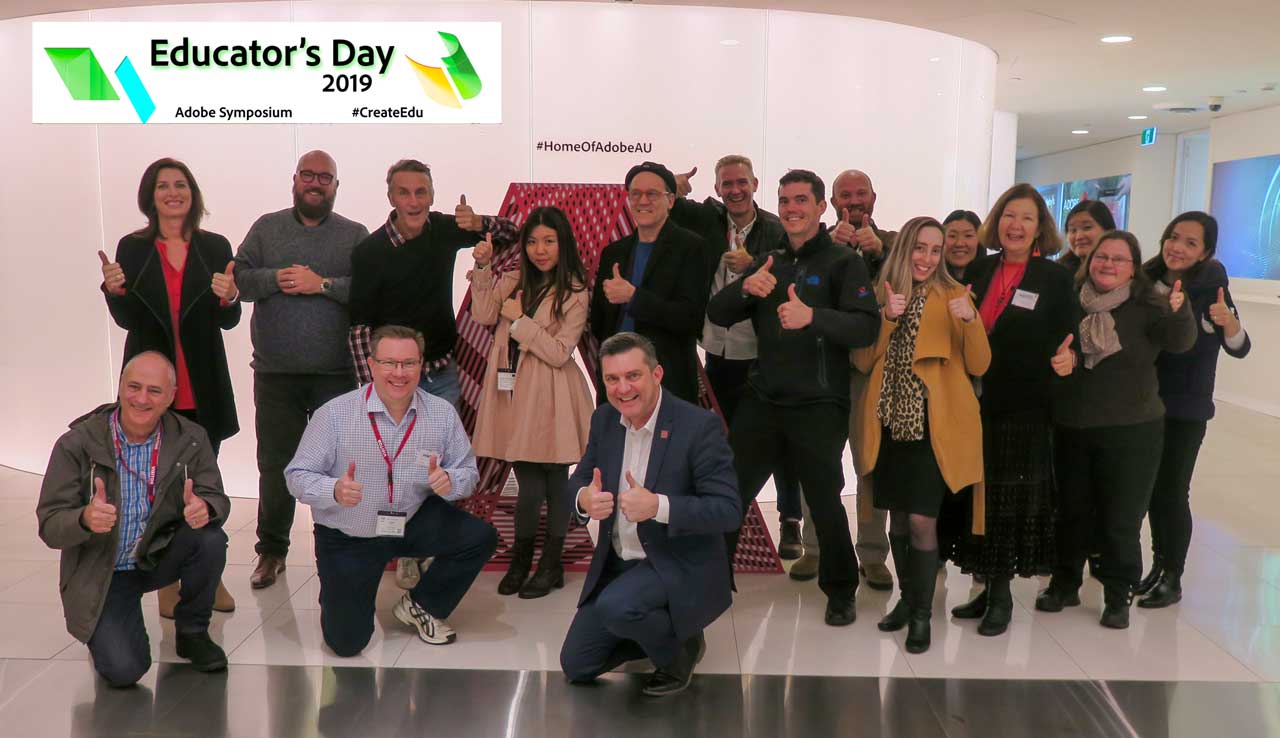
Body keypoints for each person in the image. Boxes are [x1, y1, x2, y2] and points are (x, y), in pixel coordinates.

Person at [707, 169, 880, 626]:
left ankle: (840, 590)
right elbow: (718, 313)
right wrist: (744, 287)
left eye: (801, 200)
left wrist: (813, 317)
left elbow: (866, 326)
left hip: (819, 403)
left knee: (824, 501)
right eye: (785, 201)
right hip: (764, 398)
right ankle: (711, 582)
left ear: (822, 207)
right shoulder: (770, 262)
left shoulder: (843, 262)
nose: (791, 208)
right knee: (730, 492)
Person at [285, 325, 497, 655]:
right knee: (346, 643)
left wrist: (450, 481)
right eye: (389, 363)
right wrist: (334, 490)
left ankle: (421, 605)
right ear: (371, 365)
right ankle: (342, 592)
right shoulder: (335, 415)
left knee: (480, 537)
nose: (399, 373)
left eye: (409, 363)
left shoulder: (441, 413)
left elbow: (468, 473)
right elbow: (296, 475)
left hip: (411, 519)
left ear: (421, 365)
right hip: (350, 533)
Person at [559, 333, 740, 696]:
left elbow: (728, 510)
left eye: (633, 376)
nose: (623, 388)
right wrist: (583, 498)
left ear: (657, 374)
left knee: (617, 608)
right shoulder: (605, 419)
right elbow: (580, 478)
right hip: (619, 562)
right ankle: (654, 626)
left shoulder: (697, 426)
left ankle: (680, 652)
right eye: (612, 379)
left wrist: (659, 506)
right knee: (577, 665)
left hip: (674, 560)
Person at [36, 352, 231, 687]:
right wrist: (84, 519)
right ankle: (107, 628)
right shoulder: (77, 443)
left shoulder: (191, 437)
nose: (141, 399)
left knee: (210, 539)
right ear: (120, 387)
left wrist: (206, 508)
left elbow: (217, 498)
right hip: (105, 568)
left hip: (157, 552)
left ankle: (192, 632)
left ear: (171, 397)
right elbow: (50, 525)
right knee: (125, 671)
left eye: (154, 391)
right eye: (134, 387)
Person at [98, 156, 238, 617]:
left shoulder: (215, 246)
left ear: (192, 194)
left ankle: (208, 573)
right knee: (159, 487)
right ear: (150, 196)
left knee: (203, 484)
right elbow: (127, 319)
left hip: (203, 383)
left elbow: (228, 319)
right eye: (163, 186)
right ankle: (167, 580)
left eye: (181, 185)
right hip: (152, 388)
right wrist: (114, 291)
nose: (173, 192)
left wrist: (230, 298)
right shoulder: (133, 248)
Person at [1044, 230, 1197, 629]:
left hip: (1133, 429)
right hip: (1073, 423)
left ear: (1133, 268)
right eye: (1101, 256)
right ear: (1089, 260)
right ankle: (1064, 584)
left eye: (1118, 259)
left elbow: (1180, 342)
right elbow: (1052, 347)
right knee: (1070, 511)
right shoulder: (1069, 300)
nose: (1108, 264)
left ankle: (1117, 594)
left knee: (1121, 518)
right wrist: (1061, 363)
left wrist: (1180, 309)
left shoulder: (1150, 304)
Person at [233, 150, 369, 590]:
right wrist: (277, 279)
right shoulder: (266, 228)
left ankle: (340, 549)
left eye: (324, 178)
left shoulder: (354, 235)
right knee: (275, 466)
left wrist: (321, 284)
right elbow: (240, 280)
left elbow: (369, 290)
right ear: (294, 180)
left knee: (339, 468)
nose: (315, 183)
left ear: (336, 186)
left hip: (336, 375)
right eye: (308, 175)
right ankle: (271, 552)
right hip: (275, 374)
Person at [852, 217, 990, 653]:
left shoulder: (955, 295)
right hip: (889, 423)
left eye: (935, 249)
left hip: (934, 427)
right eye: (920, 247)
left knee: (920, 521)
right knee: (896, 518)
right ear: (904, 248)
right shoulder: (882, 292)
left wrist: (971, 320)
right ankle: (908, 599)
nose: (927, 258)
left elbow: (980, 364)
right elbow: (861, 361)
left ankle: (921, 614)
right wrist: (887, 318)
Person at [947, 183, 1076, 637]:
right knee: (977, 499)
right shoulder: (978, 269)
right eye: (1008, 215)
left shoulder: (1054, 278)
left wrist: (1071, 356)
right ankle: (985, 588)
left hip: (1022, 409)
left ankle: (1000, 595)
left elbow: (1070, 335)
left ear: (1040, 228)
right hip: (972, 405)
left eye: (1026, 217)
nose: (1015, 225)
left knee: (1006, 502)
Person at [669, 156, 803, 558]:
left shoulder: (776, 229)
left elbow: (791, 274)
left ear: (755, 184)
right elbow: (663, 201)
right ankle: (729, 517)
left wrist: (753, 266)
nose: (735, 190)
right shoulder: (708, 221)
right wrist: (674, 185)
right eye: (727, 184)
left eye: (741, 182)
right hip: (716, 349)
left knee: (780, 440)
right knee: (725, 438)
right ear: (717, 189)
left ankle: (790, 519)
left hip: (761, 353)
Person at [469, 206, 594, 599]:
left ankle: (550, 563)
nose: (540, 250)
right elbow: (482, 313)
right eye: (534, 241)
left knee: (555, 482)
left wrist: (520, 321)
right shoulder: (513, 278)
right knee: (528, 486)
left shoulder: (575, 290)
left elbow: (559, 352)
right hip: (514, 393)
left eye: (549, 241)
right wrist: (484, 269)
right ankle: (522, 560)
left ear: (563, 244)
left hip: (553, 394)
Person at [787, 168, 900, 589]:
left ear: (874, 197)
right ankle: (814, 548)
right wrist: (828, 252)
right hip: (823, 371)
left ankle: (872, 554)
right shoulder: (816, 246)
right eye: (845, 195)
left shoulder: (894, 243)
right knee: (817, 463)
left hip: (873, 375)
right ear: (832, 203)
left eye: (860, 194)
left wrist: (882, 252)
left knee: (870, 465)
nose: (854, 202)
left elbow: (910, 287)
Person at [1136, 212, 1251, 608]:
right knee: (1152, 491)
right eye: (1173, 237)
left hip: (1186, 408)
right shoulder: (1146, 280)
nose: (1177, 247)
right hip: (1142, 405)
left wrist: (1228, 323)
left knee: (1171, 491)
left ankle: (1172, 577)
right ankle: (1158, 567)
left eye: (1190, 243)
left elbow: (1240, 347)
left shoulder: (1211, 287)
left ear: (1205, 252)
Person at [348, 158, 518, 407]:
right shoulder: (369, 252)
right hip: (394, 378)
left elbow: (512, 233)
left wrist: (479, 222)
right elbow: (359, 329)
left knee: (445, 435)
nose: (414, 201)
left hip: (441, 375)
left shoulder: (442, 229)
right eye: (404, 193)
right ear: (391, 198)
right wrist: (372, 388)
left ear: (432, 196)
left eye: (421, 192)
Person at [589, 162, 711, 405]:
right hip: (616, 383)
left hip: (668, 383)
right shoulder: (614, 252)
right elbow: (600, 324)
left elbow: (690, 318)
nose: (643, 201)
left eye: (652, 194)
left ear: (671, 200)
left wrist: (634, 298)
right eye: (636, 194)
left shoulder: (692, 247)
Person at [1057, 199, 1117, 276]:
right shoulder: (1059, 273)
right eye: (1073, 230)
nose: (1079, 236)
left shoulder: (1120, 270)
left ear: (1107, 230)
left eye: (1087, 227)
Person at [942, 209, 985, 281]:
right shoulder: (928, 283)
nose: (959, 243)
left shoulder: (993, 280)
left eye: (968, 236)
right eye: (952, 236)